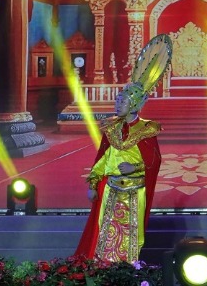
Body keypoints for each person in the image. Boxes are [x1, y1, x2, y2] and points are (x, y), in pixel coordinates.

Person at [75, 34, 172, 263]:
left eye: (123, 101)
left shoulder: (146, 130)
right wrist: (93, 184)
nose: (118, 104)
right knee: (104, 231)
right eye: (117, 100)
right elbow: (102, 158)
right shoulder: (111, 128)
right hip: (110, 189)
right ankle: (103, 268)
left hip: (135, 191)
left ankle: (128, 269)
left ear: (135, 104)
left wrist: (135, 167)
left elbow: (154, 161)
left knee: (130, 235)